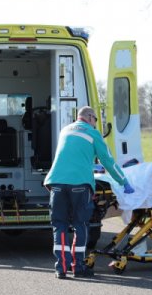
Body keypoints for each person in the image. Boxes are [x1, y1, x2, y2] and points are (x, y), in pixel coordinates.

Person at [44, 106, 134, 279]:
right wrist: (123, 181)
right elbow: (108, 161)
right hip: (79, 183)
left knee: (59, 225)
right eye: (96, 120)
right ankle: (78, 267)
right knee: (80, 224)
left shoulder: (65, 130)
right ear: (90, 118)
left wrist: (90, 164)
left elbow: (69, 156)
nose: (96, 124)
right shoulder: (93, 134)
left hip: (56, 183)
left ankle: (61, 268)